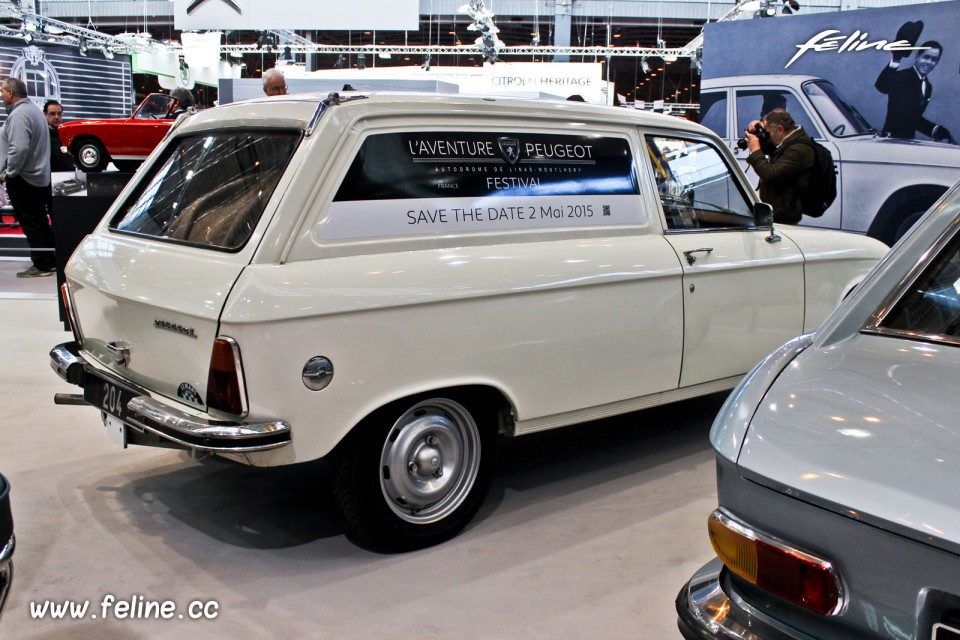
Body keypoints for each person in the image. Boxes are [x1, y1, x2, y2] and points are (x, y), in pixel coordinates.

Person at [1, 77, 55, 277]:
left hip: (24, 178)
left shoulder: (19, 115)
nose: (2, 95)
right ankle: (49, 260)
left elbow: (19, 147)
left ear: (10, 92)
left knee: (31, 223)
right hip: (39, 177)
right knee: (40, 221)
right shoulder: (34, 111)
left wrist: (9, 173)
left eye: (2, 91)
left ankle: (42, 265)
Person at [744, 109, 815, 225]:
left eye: (769, 133)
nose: (769, 136)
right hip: (778, 210)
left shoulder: (798, 150)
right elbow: (774, 150)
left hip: (784, 215)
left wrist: (756, 150)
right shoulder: (790, 140)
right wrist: (761, 127)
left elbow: (770, 174)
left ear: (780, 129)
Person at [875, 41, 954, 143]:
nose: (929, 62)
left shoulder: (928, 86)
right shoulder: (902, 77)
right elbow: (882, 86)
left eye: (934, 59)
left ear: (937, 62)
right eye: (926, 57)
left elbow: (913, 117)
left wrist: (936, 130)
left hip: (909, 143)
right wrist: (895, 60)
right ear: (917, 56)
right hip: (891, 141)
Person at [43, 100, 75, 172]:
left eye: (59, 114)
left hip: (69, 176)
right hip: (48, 178)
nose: (56, 117)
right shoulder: (41, 134)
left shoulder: (68, 134)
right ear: (45, 114)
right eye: (52, 114)